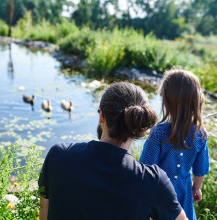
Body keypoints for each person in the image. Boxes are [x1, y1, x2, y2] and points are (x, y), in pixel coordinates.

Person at [38, 82, 188, 220]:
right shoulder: (153, 181)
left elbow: (44, 214)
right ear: (141, 124)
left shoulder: (58, 156)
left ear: (101, 116)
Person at [139, 69, 210, 220]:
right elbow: (200, 169)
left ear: (166, 101)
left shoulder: (158, 133)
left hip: (159, 193)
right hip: (184, 191)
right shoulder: (200, 134)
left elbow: (146, 169)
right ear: (196, 100)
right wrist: (196, 188)